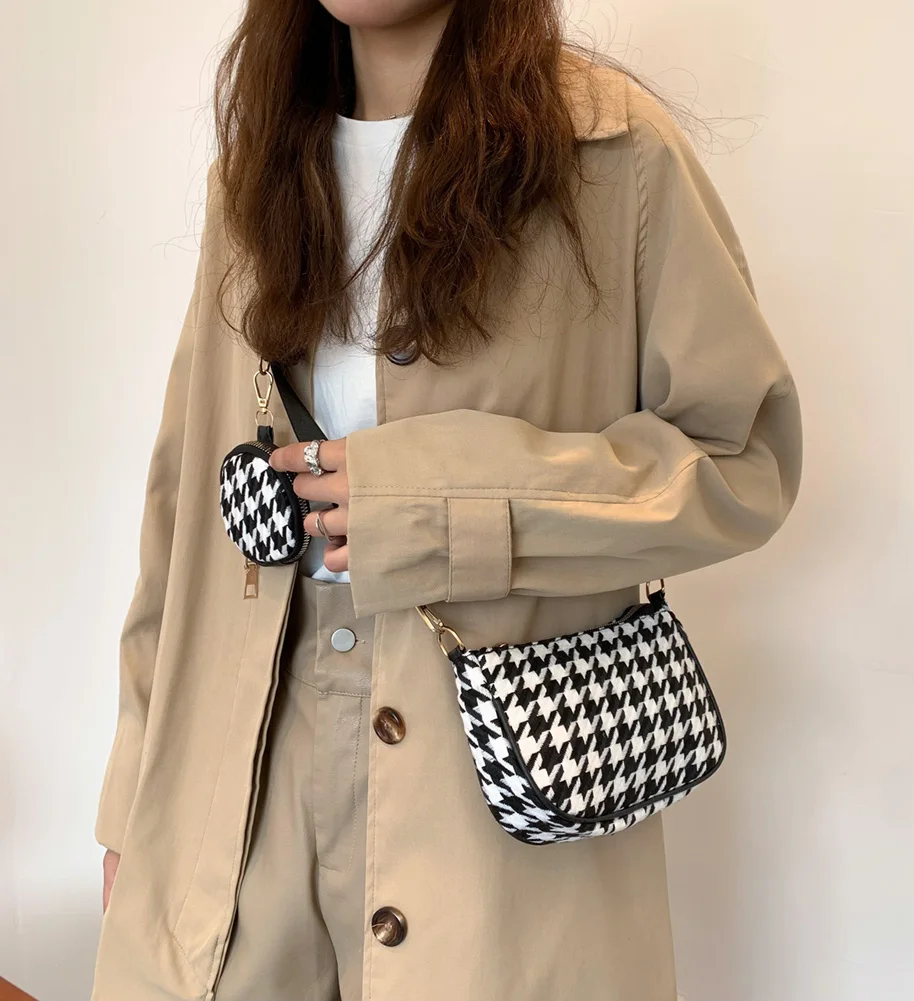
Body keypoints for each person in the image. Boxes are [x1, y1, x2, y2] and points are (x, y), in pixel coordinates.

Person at [91, 1, 803, 999]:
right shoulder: (254, 171)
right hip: (233, 784)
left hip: (492, 810)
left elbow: (740, 457)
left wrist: (447, 504)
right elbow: (181, 515)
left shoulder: (613, 157)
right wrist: (134, 799)